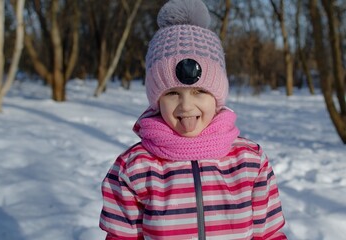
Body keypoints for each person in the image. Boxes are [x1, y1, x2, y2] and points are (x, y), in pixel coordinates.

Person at [99, 0, 287, 239]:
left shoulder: (249, 161)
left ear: (217, 96)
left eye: (200, 91)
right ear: (156, 99)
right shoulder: (134, 167)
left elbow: (269, 234)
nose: (186, 106)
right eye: (172, 93)